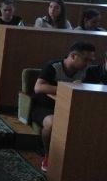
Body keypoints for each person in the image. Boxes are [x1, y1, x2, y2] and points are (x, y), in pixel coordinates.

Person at [30, 42, 95, 172]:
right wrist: (68, 88)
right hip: (45, 107)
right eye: (86, 60)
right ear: (73, 56)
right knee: (52, 124)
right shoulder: (54, 66)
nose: (88, 64)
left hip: (72, 108)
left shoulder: (87, 71)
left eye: (91, 61)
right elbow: (39, 87)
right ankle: (48, 155)